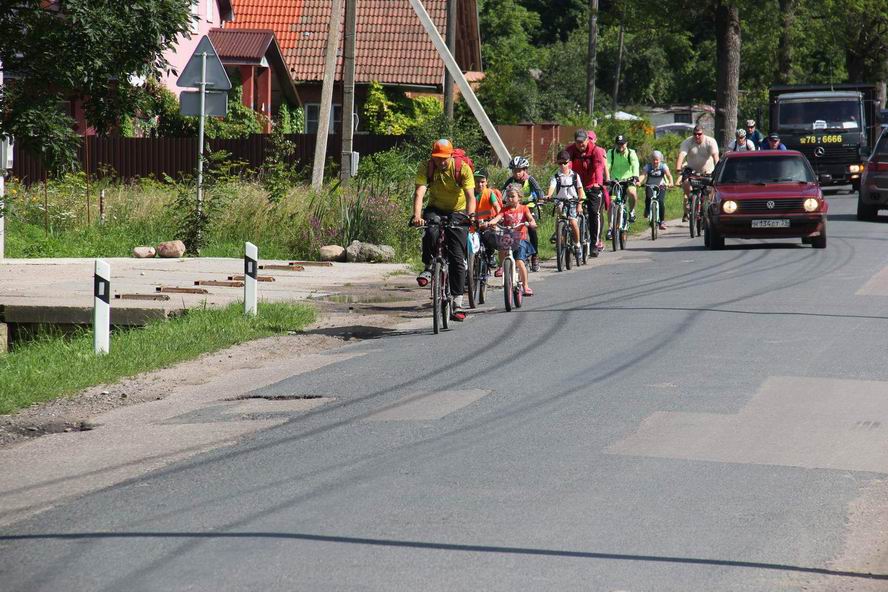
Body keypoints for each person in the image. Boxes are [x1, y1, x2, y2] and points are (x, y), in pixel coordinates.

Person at [412, 138, 476, 322]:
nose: (440, 162)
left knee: (457, 257)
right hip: (435, 208)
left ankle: (457, 301)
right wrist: (417, 216)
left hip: (458, 211)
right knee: (430, 231)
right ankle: (428, 265)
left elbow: (470, 196)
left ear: (450, 155)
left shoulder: (461, 168)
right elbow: (419, 192)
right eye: (437, 158)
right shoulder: (427, 167)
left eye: (444, 159)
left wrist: (470, 216)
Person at [566, 129, 610, 255]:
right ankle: (567, 235)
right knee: (566, 207)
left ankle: (595, 243)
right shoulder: (570, 150)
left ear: (587, 140)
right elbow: (567, 164)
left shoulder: (595, 150)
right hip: (576, 184)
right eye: (578, 142)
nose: (581, 145)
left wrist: (598, 184)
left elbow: (598, 167)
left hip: (592, 184)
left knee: (593, 213)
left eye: (583, 142)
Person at [490, 183, 537, 296]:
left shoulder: (524, 209)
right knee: (502, 248)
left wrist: (532, 223)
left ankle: (525, 285)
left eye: (513, 196)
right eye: (508, 196)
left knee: (520, 262)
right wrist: (492, 222)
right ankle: (502, 266)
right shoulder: (504, 209)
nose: (510, 199)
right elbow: (498, 217)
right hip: (508, 238)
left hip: (520, 239)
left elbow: (531, 219)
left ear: (519, 197)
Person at [501, 155, 544, 272]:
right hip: (514, 208)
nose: (517, 173)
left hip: (528, 207)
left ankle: (535, 255)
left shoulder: (530, 179)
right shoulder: (510, 181)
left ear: (525, 170)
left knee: (532, 229)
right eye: (514, 171)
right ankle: (512, 255)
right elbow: (502, 192)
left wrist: (540, 199)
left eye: (519, 170)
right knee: (508, 229)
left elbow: (539, 191)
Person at [545, 150, 587, 262]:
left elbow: (580, 190)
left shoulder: (575, 176)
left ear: (569, 162)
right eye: (560, 163)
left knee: (573, 222)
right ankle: (559, 233)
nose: (562, 165)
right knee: (559, 215)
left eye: (565, 163)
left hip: (573, 201)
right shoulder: (556, 176)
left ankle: (577, 244)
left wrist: (580, 204)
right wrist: (549, 195)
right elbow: (552, 186)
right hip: (561, 200)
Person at [676, 124, 719, 222]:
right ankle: (691, 199)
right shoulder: (688, 141)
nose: (697, 136)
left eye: (699, 134)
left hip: (707, 171)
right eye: (695, 134)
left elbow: (715, 157)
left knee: (709, 191)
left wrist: (717, 170)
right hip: (692, 169)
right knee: (685, 181)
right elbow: (682, 155)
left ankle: (707, 209)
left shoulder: (710, 141)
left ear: (703, 133)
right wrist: (678, 168)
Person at [606, 134, 640, 223]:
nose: (620, 146)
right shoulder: (611, 152)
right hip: (614, 180)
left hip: (628, 179)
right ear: (615, 144)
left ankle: (632, 211)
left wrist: (636, 176)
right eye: (618, 144)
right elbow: (607, 165)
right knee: (611, 203)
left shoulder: (631, 153)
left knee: (632, 193)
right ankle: (610, 228)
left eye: (622, 144)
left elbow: (635, 164)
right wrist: (607, 177)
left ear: (626, 144)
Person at [472, 169, 502, 267]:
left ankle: (490, 254)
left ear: (486, 182)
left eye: (482, 182)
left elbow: (497, 206)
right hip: (472, 224)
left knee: (488, 237)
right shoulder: (469, 192)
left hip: (486, 223)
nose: (479, 184)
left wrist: (499, 217)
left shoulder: (489, 193)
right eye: (477, 181)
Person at [638, 150, 674, 230]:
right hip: (649, 185)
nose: (655, 161)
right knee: (648, 197)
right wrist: (639, 182)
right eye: (653, 159)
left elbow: (669, 175)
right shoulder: (648, 166)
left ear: (660, 159)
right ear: (651, 159)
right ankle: (647, 210)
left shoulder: (663, 166)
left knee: (661, 201)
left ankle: (662, 221)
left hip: (661, 186)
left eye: (657, 159)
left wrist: (671, 182)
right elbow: (643, 175)